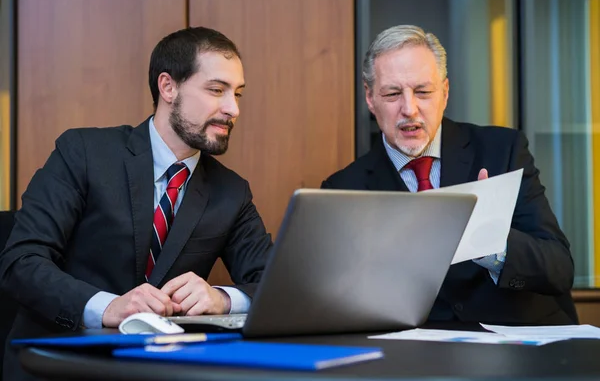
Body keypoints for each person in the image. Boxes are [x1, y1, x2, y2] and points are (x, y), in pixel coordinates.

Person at [0, 26, 272, 379]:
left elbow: (274, 281)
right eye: (216, 90)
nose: (232, 108)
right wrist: (108, 307)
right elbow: (21, 261)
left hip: (162, 371)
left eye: (237, 94)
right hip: (55, 366)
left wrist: (222, 299)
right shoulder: (83, 153)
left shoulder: (231, 192)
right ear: (168, 87)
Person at [322, 25, 576, 326]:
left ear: (445, 92)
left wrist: (491, 243)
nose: (409, 109)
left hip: (517, 344)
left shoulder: (502, 151)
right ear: (370, 98)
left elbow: (559, 268)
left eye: (423, 92)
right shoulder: (344, 189)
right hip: (417, 359)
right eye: (392, 94)